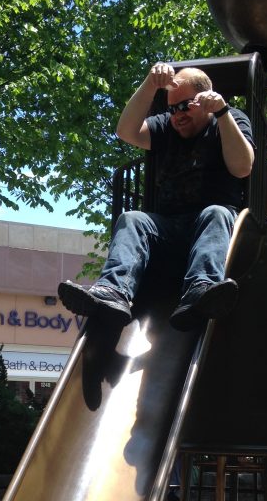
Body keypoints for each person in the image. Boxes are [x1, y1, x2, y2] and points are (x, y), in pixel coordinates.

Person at [58, 62, 255, 331]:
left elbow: (243, 167)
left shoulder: (229, 119)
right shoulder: (166, 126)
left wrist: (222, 113)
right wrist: (150, 84)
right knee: (133, 218)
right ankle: (113, 291)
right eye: (172, 109)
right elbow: (126, 131)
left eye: (185, 106)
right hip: (169, 228)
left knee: (216, 212)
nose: (177, 115)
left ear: (205, 100)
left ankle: (200, 289)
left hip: (211, 229)